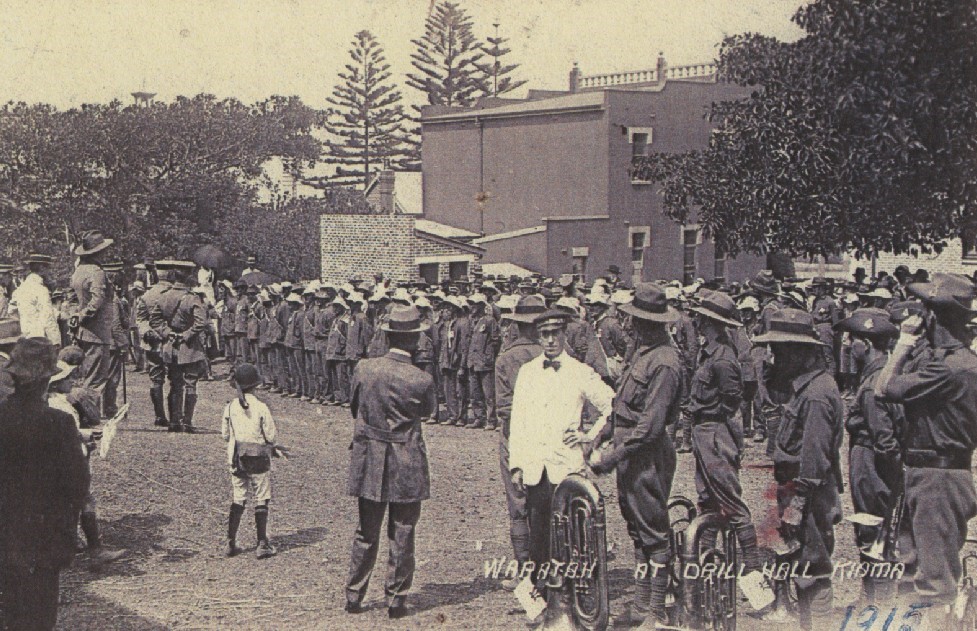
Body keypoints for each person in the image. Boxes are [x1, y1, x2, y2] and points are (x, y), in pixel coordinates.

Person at [877, 273, 977, 620]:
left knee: (933, 586)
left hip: (938, 477)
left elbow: (884, 386)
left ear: (932, 316)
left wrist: (904, 342)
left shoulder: (951, 368)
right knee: (910, 572)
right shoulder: (952, 361)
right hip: (929, 473)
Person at [509, 306, 614, 623]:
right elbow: (518, 421)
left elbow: (612, 404)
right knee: (539, 536)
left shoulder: (579, 371)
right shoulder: (527, 371)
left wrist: (589, 436)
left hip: (566, 469)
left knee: (574, 536)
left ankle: (576, 600)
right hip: (536, 468)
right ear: (538, 336)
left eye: (555, 334)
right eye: (544, 334)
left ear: (565, 335)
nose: (550, 340)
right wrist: (517, 464)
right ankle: (543, 603)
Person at [589, 283, 684, 627]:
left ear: (652, 324)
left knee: (654, 534)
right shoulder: (642, 353)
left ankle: (656, 613)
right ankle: (642, 606)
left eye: (638, 321)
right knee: (637, 531)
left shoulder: (666, 363)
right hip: (629, 449)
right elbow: (621, 406)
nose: (631, 326)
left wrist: (614, 456)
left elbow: (652, 425)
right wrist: (601, 435)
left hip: (647, 454)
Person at [752, 308, 844, 630]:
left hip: (809, 495)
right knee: (804, 570)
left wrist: (796, 505)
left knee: (813, 572)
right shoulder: (806, 387)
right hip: (800, 492)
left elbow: (815, 459)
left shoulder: (817, 394)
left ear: (800, 352)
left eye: (780, 350)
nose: (774, 358)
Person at [345, 306, 437, 620]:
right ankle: (396, 599)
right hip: (407, 458)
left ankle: (354, 594)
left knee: (366, 530)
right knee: (404, 530)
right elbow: (427, 413)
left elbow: (355, 407)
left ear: (388, 336)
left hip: (370, 456)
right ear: (414, 340)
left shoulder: (364, 368)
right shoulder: (421, 379)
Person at [0, 337, 90, 630]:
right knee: (39, 616)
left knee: (11, 612)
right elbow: (77, 486)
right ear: (46, 380)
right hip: (43, 538)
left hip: (5, 535)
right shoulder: (59, 423)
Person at [687, 291, 767, 588]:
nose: (696, 321)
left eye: (700, 318)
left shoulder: (722, 357)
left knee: (729, 500)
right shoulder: (708, 351)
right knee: (707, 498)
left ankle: (753, 568)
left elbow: (733, 399)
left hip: (715, 431)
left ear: (710, 322)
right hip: (704, 430)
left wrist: (715, 421)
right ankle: (708, 557)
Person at [835, 308, 903, 605]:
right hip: (874, 459)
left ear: (867, 342)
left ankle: (876, 600)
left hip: (870, 461)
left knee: (871, 525)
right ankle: (874, 594)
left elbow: (884, 439)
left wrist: (893, 475)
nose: (849, 345)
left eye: (853, 339)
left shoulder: (874, 382)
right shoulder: (885, 371)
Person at [494, 294, 545, 584]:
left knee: (518, 503)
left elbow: (504, 409)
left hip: (517, 439)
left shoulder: (507, 358)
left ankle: (526, 570)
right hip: (550, 438)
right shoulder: (556, 354)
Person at [222, 363, 280, 559]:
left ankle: (231, 542)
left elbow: (225, 435)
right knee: (261, 496)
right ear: (255, 385)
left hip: (236, 457)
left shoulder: (230, 407)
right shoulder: (262, 407)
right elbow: (271, 436)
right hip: (258, 459)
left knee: (239, 497)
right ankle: (262, 542)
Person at [150, 260, 207, 433]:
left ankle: (174, 421)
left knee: (174, 383)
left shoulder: (164, 296)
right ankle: (187, 422)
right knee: (190, 383)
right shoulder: (192, 298)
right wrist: (187, 335)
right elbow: (201, 322)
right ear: (189, 276)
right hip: (188, 347)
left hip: (171, 345)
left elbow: (155, 320)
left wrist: (168, 333)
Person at [69, 231, 116, 413]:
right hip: (97, 331)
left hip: (82, 330)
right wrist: (83, 315)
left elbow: (73, 297)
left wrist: (76, 315)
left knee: (84, 375)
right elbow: (97, 300)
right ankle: (89, 414)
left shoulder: (79, 271)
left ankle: (83, 412)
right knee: (95, 377)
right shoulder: (97, 272)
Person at [137, 262, 174, 427]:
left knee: (156, 379)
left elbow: (140, 319)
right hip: (172, 342)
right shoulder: (177, 294)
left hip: (152, 343)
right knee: (176, 379)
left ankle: (160, 416)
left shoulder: (147, 295)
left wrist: (147, 331)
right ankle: (175, 416)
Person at [466, 293, 500, 430]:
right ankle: (479, 417)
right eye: (471, 304)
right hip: (473, 361)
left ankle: (491, 420)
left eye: (475, 304)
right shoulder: (472, 321)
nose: (472, 307)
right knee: (475, 393)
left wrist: (488, 356)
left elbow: (495, 340)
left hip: (485, 362)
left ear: (481, 306)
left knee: (489, 394)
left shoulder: (489, 321)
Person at [9, 252, 60, 346]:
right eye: (48, 267)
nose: (50, 271)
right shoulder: (41, 289)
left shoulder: (21, 288)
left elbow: (11, 311)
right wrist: (55, 341)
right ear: (42, 268)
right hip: (41, 339)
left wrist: (26, 322)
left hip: (26, 336)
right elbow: (48, 318)